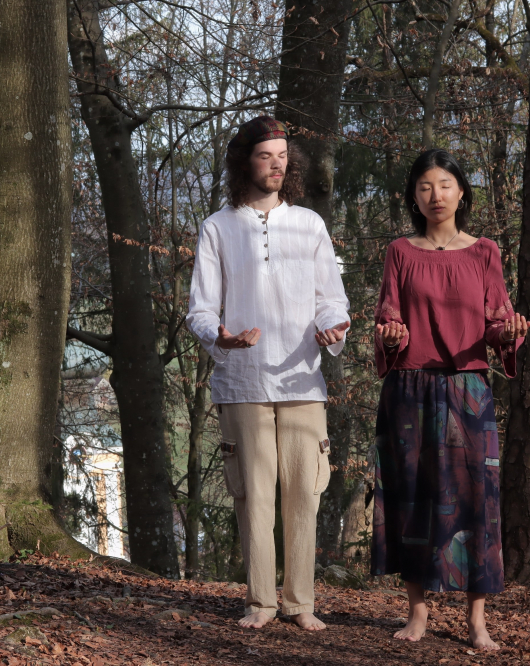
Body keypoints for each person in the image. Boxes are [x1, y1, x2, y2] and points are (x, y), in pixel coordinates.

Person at [186, 116, 350, 631]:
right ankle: (260, 601)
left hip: (302, 378)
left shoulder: (309, 225)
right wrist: (220, 337)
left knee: (304, 493)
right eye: (265, 156)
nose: (277, 164)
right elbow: (199, 309)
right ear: (244, 162)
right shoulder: (218, 227)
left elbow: (331, 299)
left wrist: (332, 327)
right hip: (243, 380)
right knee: (253, 494)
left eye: (283, 156)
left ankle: (300, 602)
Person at [371, 149, 530, 651]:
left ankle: (476, 621)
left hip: (468, 390)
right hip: (409, 389)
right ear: (413, 197)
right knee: (412, 496)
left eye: (444, 185)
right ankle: (416, 612)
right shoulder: (400, 251)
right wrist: (392, 336)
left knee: (478, 500)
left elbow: (498, 321)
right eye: (424, 187)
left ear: (462, 192)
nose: (435, 195)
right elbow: (387, 319)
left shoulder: (485, 252)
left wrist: (510, 332)